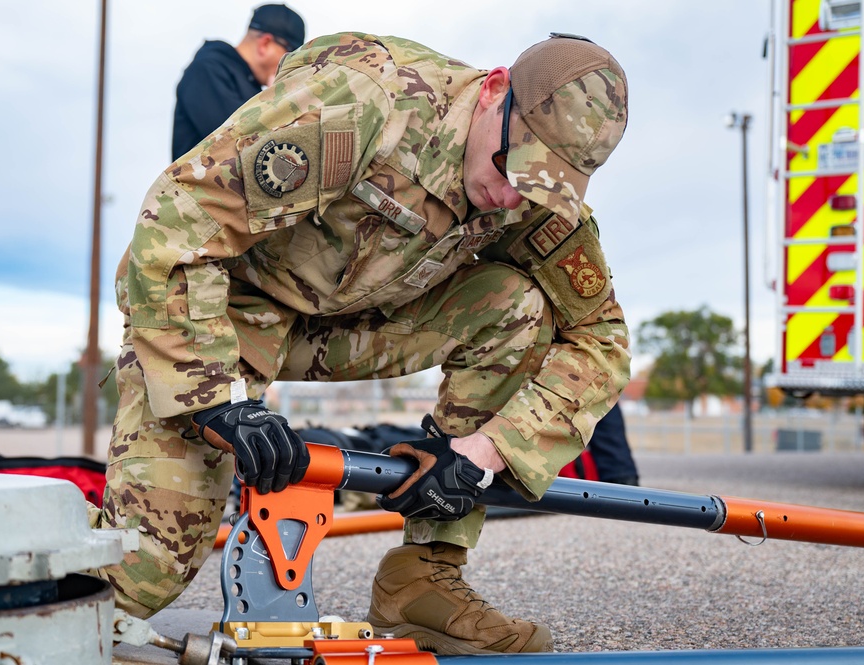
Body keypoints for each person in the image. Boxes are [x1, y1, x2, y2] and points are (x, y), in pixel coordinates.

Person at [91, 31, 630, 655]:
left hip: (349, 324)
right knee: (129, 583)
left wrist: (484, 453)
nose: (513, 198)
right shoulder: (361, 103)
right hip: (224, 314)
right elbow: (182, 215)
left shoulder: (532, 191)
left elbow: (603, 338)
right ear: (494, 90)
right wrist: (216, 399)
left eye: (539, 188)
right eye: (511, 167)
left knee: (519, 306)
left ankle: (423, 580)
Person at [171, 4, 305, 161]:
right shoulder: (208, 70)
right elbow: (237, 142)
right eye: (290, 57)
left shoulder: (248, 84)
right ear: (265, 44)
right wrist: (276, 99)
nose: (291, 66)